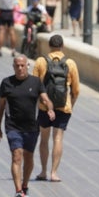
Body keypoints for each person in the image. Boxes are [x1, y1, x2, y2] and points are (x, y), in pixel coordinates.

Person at [0, 55, 55, 197]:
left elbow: (46, 99)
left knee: (28, 157)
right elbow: (1, 106)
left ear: (27, 66)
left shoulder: (35, 82)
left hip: (31, 127)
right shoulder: (6, 83)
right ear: (13, 67)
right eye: (17, 66)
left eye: (22, 65)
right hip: (12, 126)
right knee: (16, 155)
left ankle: (25, 185)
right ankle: (18, 191)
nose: (20, 68)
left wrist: (50, 109)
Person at [32, 35, 80, 182]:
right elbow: (76, 90)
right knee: (58, 138)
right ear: (62, 46)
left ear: (49, 45)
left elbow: (34, 85)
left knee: (44, 139)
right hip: (63, 106)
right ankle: (54, 173)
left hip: (44, 106)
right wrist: (70, 103)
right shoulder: (70, 63)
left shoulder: (41, 61)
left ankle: (43, 171)